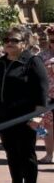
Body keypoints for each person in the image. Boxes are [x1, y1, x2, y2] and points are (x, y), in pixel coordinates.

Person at [0, 25, 50, 183]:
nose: (9, 43)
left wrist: (38, 116)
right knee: (11, 152)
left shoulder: (33, 62)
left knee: (26, 153)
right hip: (3, 116)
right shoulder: (1, 62)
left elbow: (42, 89)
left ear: (25, 43)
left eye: (14, 40)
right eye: (7, 40)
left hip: (25, 117)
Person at [38, 26, 54, 164]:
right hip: (47, 96)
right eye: (52, 39)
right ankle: (49, 154)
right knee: (46, 127)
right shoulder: (42, 56)